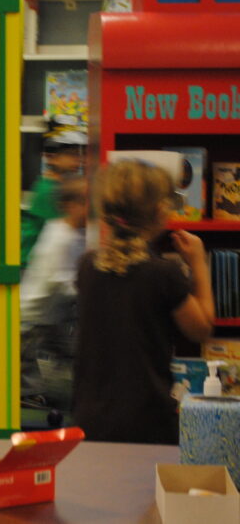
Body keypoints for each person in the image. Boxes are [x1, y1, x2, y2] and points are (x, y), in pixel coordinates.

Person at [72, 159, 215, 444]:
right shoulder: (163, 273)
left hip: (90, 419)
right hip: (147, 421)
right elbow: (201, 329)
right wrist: (198, 262)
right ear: (160, 211)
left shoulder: (87, 266)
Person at [19, 175, 87, 411]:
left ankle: (75, 391)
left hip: (54, 314)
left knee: (70, 352)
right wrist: (83, 288)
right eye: (85, 202)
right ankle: (27, 397)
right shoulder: (59, 236)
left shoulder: (77, 234)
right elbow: (56, 279)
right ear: (70, 205)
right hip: (34, 314)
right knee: (26, 359)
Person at [21, 125, 85, 267]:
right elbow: (66, 227)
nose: (78, 160)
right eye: (71, 155)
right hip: (32, 263)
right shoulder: (48, 191)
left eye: (78, 155)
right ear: (52, 158)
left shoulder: (60, 186)